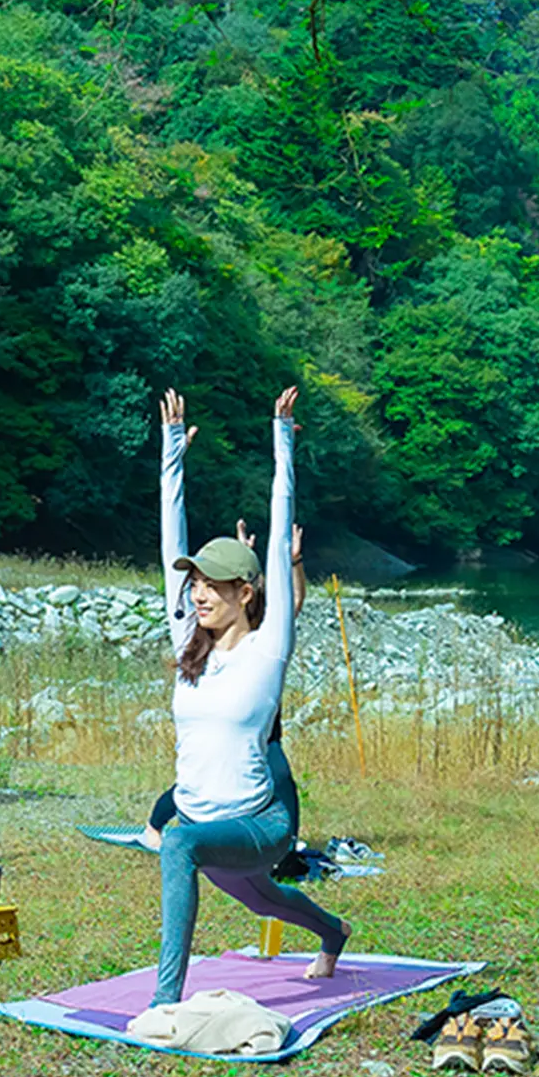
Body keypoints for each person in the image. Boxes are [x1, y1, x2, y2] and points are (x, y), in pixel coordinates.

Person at [148, 385, 349, 1008]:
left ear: (247, 592)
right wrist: (172, 451)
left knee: (177, 841)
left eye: (212, 586)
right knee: (266, 899)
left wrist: (282, 439)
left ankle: (164, 1004)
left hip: (261, 824)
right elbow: (167, 539)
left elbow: (279, 507)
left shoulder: (267, 651)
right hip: (212, 825)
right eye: (195, 585)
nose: (198, 595)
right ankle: (334, 933)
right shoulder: (191, 645)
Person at [138, 518, 304, 853]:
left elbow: (294, 599)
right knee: (195, 783)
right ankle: (153, 827)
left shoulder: (268, 633)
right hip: (225, 721)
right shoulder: (215, 627)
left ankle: (284, 847)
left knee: (280, 779)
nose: (201, 594)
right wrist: (241, 556)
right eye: (199, 585)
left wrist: (294, 562)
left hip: (259, 726)